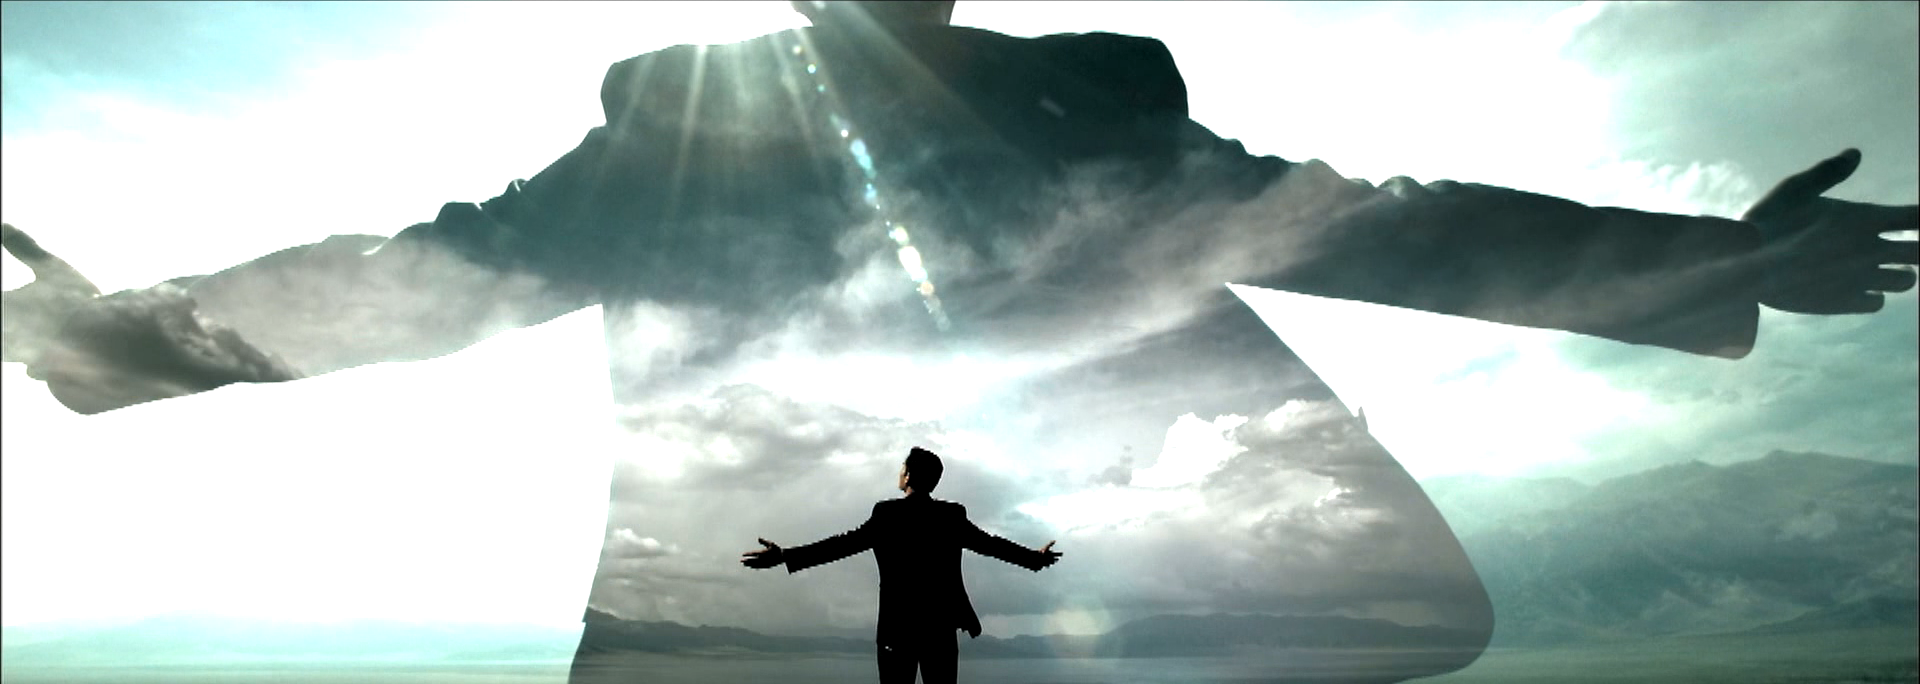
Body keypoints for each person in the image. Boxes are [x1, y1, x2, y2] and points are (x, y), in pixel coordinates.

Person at [1, 1, 1914, 681]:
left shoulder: (1088, 96)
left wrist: (1702, 262)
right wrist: (126, 332)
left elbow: (1354, 218)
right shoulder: (673, 119)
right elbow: (435, 273)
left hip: (1165, 587)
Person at [739, 447, 1061, 684]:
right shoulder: (952, 516)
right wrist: (1034, 559)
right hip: (939, 632)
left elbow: (841, 545)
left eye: (901, 468)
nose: (899, 472)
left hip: (896, 631)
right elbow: (991, 545)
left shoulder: (886, 515)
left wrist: (785, 556)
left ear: (907, 476)